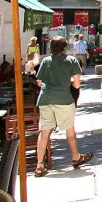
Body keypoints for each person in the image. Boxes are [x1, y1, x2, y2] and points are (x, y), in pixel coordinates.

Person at [34, 37, 92, 177]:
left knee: (45, 131)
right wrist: (66, 81)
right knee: (69, 129)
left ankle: (39, 165)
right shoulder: (71, 61)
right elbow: (76, 85)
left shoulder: (46, 61)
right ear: (64, 47)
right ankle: (75, 157)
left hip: (45, 98)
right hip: (64, 99)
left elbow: (39, 82)